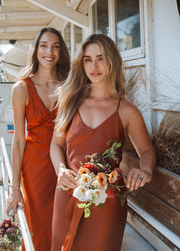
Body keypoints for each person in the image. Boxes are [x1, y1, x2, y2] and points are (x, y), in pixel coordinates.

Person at [50, 34, 156, 251]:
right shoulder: (69, 101)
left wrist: (145, 169)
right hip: (68, 195)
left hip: (107, 202)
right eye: (88, 59)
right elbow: (56, 145)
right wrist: (60, 169)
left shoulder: (126, 110)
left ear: (112, 61)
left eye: (100, 58)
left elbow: (147, 151)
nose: (94, 66)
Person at [6, 27, 70, 251]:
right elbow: (18, 141)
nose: (49, 51)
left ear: (61, 52)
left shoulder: (69, 87)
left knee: (65, 226)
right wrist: (15, 188)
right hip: (34, 171)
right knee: (38, 228)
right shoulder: (21, 88)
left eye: (55, 46)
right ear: (35, 50)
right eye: (44, 45)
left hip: (64, 165)